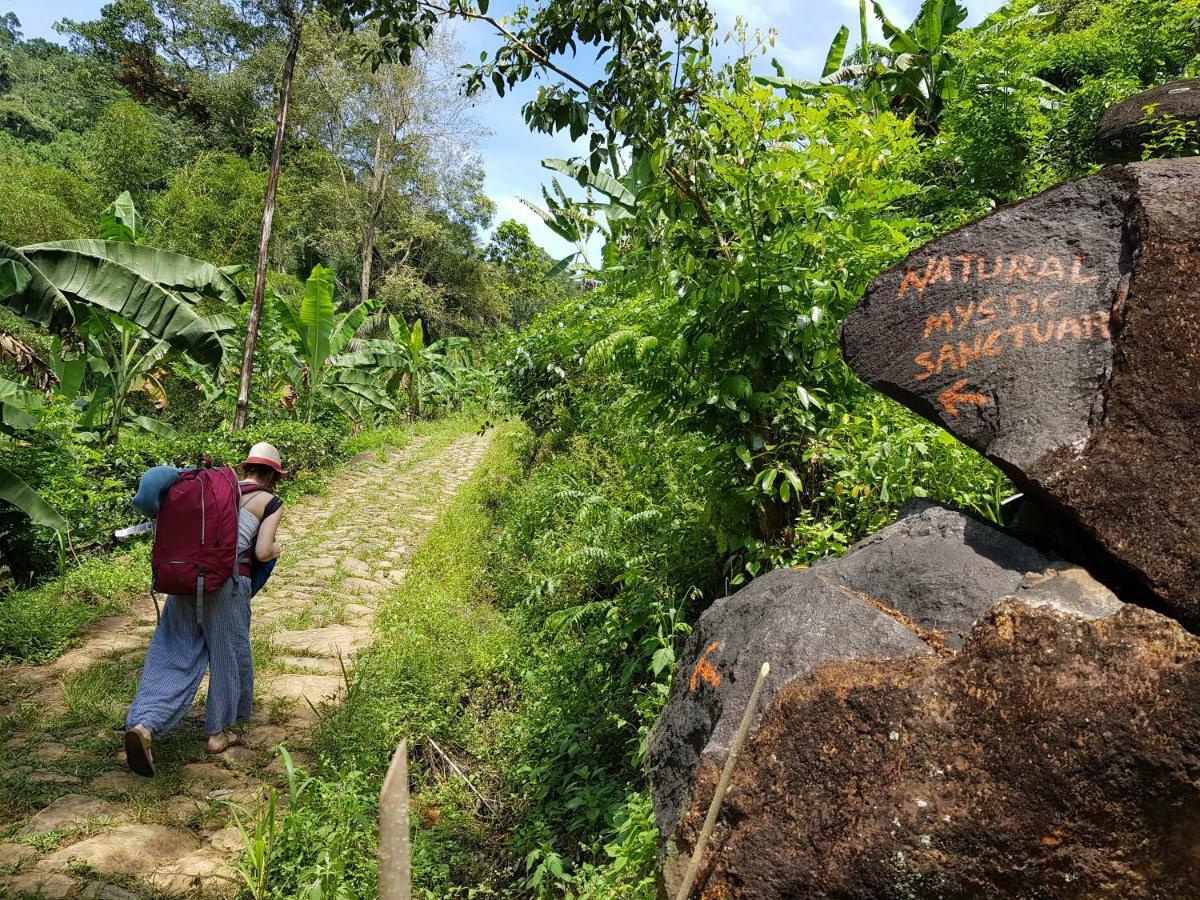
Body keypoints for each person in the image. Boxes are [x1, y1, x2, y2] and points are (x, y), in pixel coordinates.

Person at [124, 443, 286, 776]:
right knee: (228, 654)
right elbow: (264, 550)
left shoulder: (212, 491)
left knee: (171, 651)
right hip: (226, 584)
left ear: (245, 470)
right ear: (272, 476)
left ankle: (144, 724)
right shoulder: (268, 501)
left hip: (185, 579)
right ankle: (218, 732)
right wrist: (277, 549)